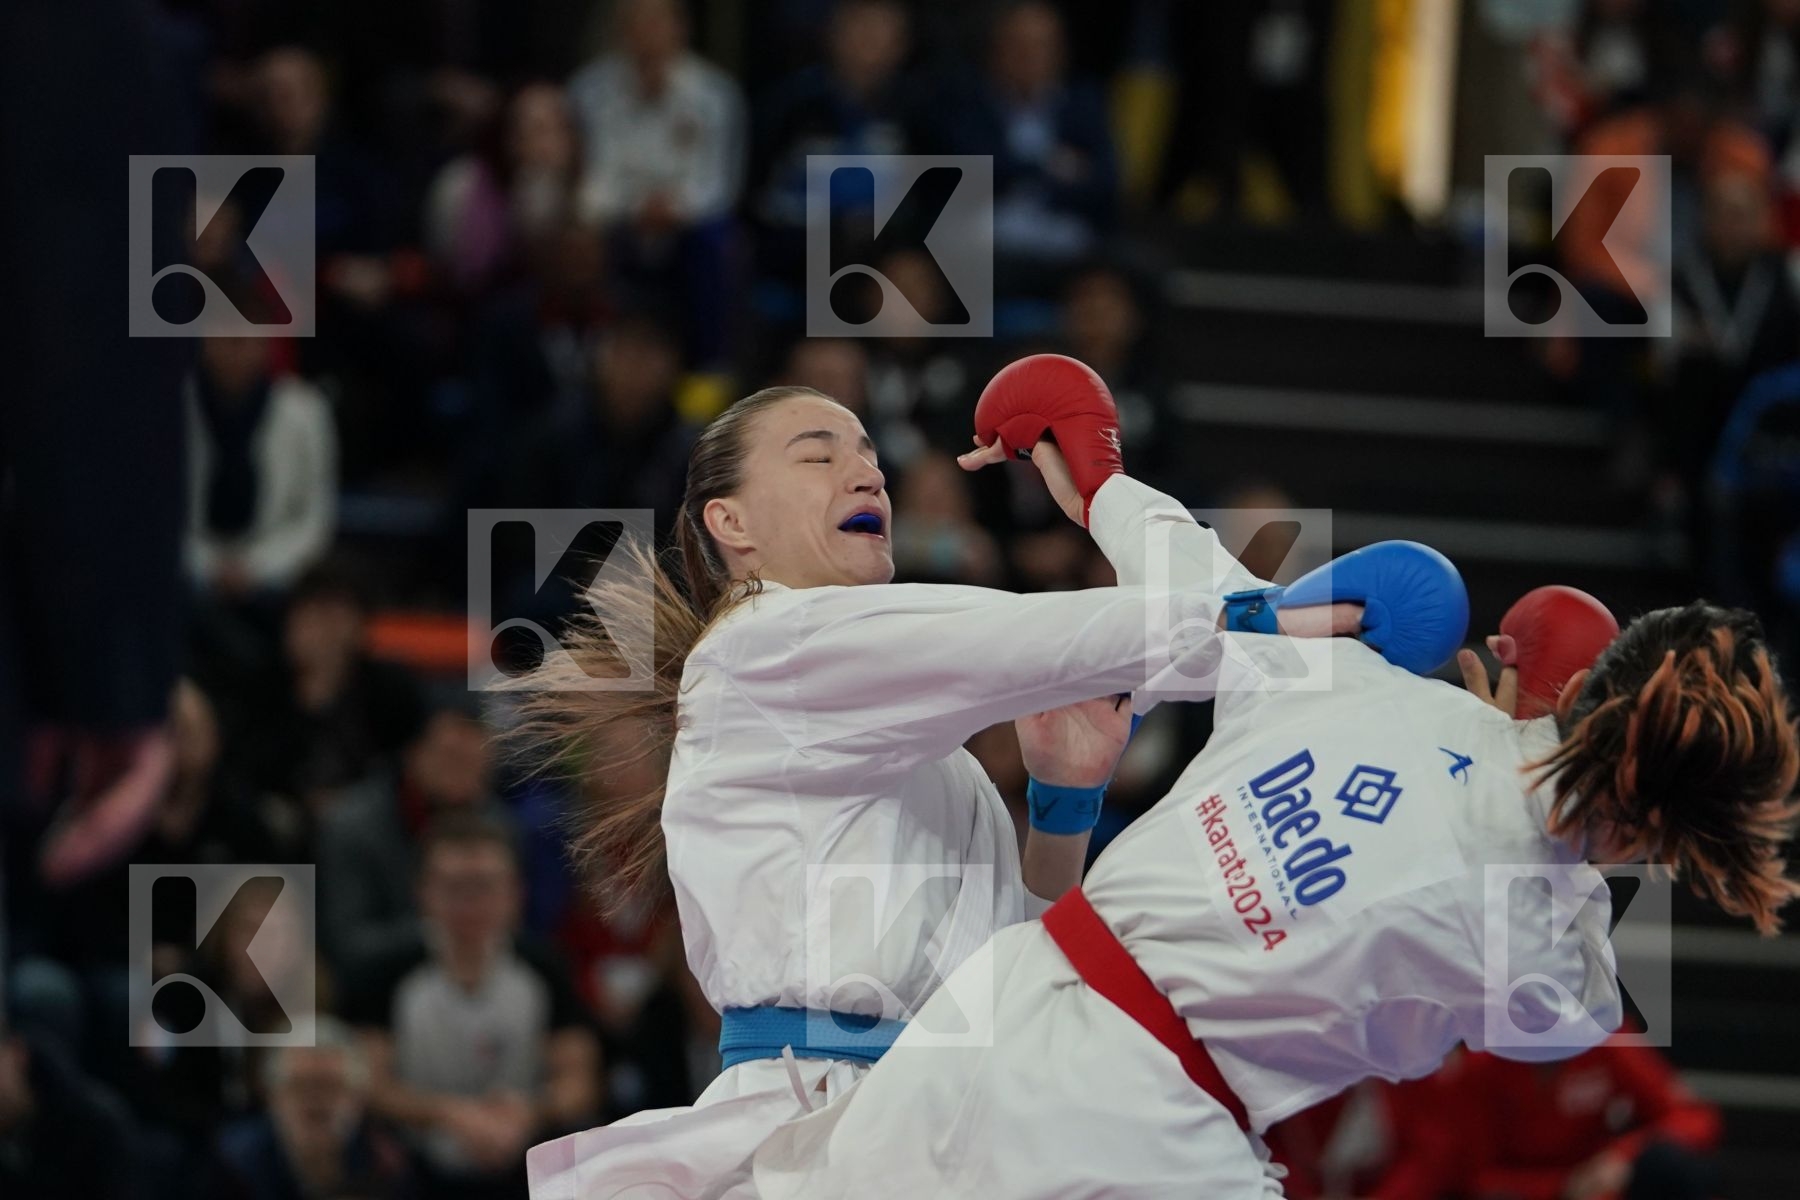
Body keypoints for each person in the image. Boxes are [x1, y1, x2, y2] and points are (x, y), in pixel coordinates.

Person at [516, 358, 1458, 1199]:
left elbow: (1021, 971)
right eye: (818, 455)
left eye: (869, 455)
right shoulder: (759, 651)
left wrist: (1063, 806)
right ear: (732, 523)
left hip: (958, 1111)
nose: (866, 472)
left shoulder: (938, 760)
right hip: (834, 1124)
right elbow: (1043, 637)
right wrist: (1262, 616)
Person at [750, 564, 1798, 1194]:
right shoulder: (1549, 948)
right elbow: (1565, 1009)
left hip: (1014, 998)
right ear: (1674, 835)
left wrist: (1105, 483)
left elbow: (1209, 588)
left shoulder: (1365, 681)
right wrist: (1534, 766)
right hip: (1154, 1129)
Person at [348, 813, 600, 1200]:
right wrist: (447, 1115)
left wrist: (529, 1111)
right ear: (423, 892)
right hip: (415, 1170)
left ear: (515, 892)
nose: (470, 903)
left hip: (525, 1162)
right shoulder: (385, 971)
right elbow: (371, 1084)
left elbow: (579, 1081)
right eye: (453, 887)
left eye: (484, 886)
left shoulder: (545, 967)